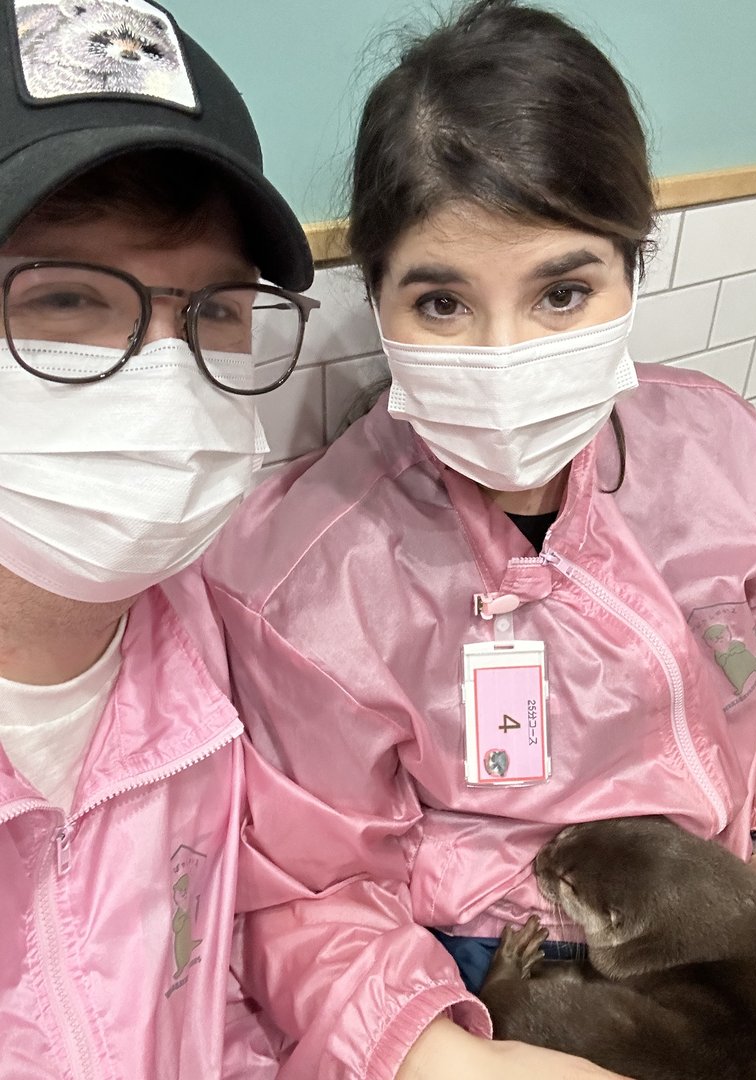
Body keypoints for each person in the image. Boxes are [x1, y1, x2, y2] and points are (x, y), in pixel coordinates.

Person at [205, 1, 756, 1077]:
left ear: (635, 268)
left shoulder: (716, 450)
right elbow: (309, 893)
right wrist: (450, 1058)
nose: (506, 354)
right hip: (506, 968)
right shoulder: (308, 576)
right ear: (379, 297)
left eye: (563, 292)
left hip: (725, 918)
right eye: (442, 303)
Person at [0, 0, 319, 1074]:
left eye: (217, 312)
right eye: (67, 299)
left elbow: (206, 1006)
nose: (166, 382)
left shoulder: (204, 651)